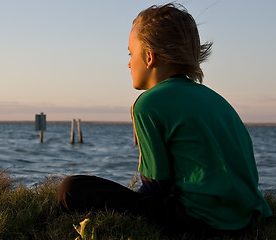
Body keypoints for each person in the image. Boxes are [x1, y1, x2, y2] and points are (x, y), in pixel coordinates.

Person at [57, 3, 272, 232]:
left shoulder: (149, 103)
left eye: (131, 54)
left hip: (197, 220)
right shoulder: (216, 100)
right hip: (249, 216)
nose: (129, 63)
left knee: (71, 188)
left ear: (149, 58)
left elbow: (155, 187)